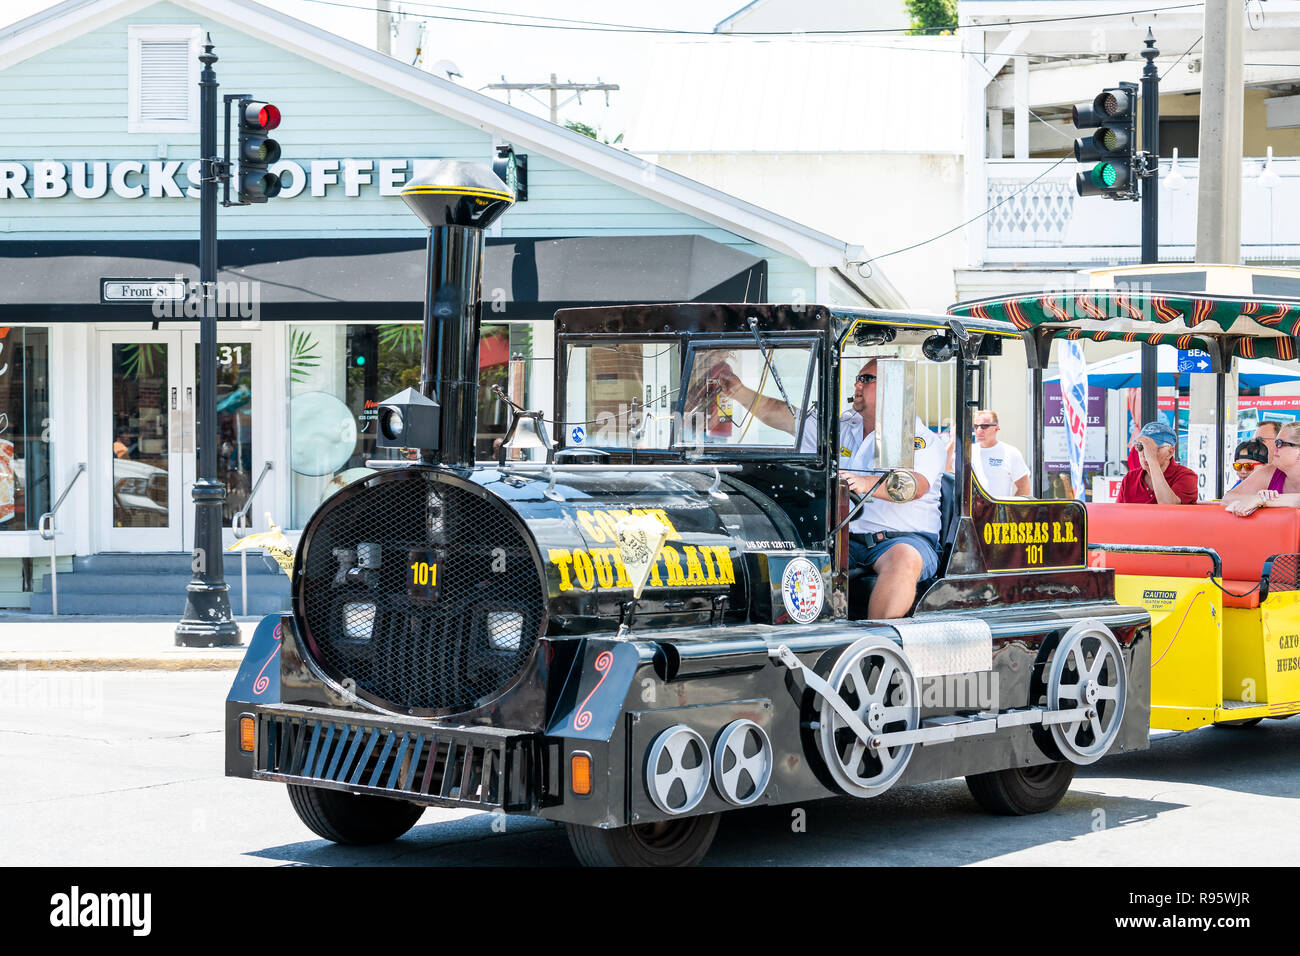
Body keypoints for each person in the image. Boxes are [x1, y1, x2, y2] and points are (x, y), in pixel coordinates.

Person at [840, 359, 945, 619]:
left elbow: (915, 486)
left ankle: (878, 639)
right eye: (858, 378)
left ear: (893, 387)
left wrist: (865, 484)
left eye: (866, 379)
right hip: (844, 539)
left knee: (904, 559)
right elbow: (788, 419)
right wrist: (742, 391)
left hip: (902, 539)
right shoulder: (843, 427)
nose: (857, 384)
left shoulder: (921, 439)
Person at [946, 409, 1031, 497]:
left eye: (984, 426)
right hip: (970, 506)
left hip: (997, 506)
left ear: (996, 428)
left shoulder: (1010, 452)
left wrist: (1008, 505)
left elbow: (1024, 487)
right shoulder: (968, 451)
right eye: (976, 426)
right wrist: (953, 441)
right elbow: (946, 467)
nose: (979, 430)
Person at [1223, 421, 1300, 515]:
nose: (1274, 448)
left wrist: (1263, 500)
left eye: (1280, 443)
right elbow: (1227, 499)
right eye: (1275, 443)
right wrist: (1256, 499)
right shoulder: (1270, 472)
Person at [1117, 420, 1199, 504]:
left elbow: (1169, 506)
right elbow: (1117, 511)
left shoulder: (1186, 476)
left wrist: (1152, 461)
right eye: (1140, 447)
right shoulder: (1130, 478)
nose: (1144, 453)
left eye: (1152, 449)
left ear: (1170, 452)